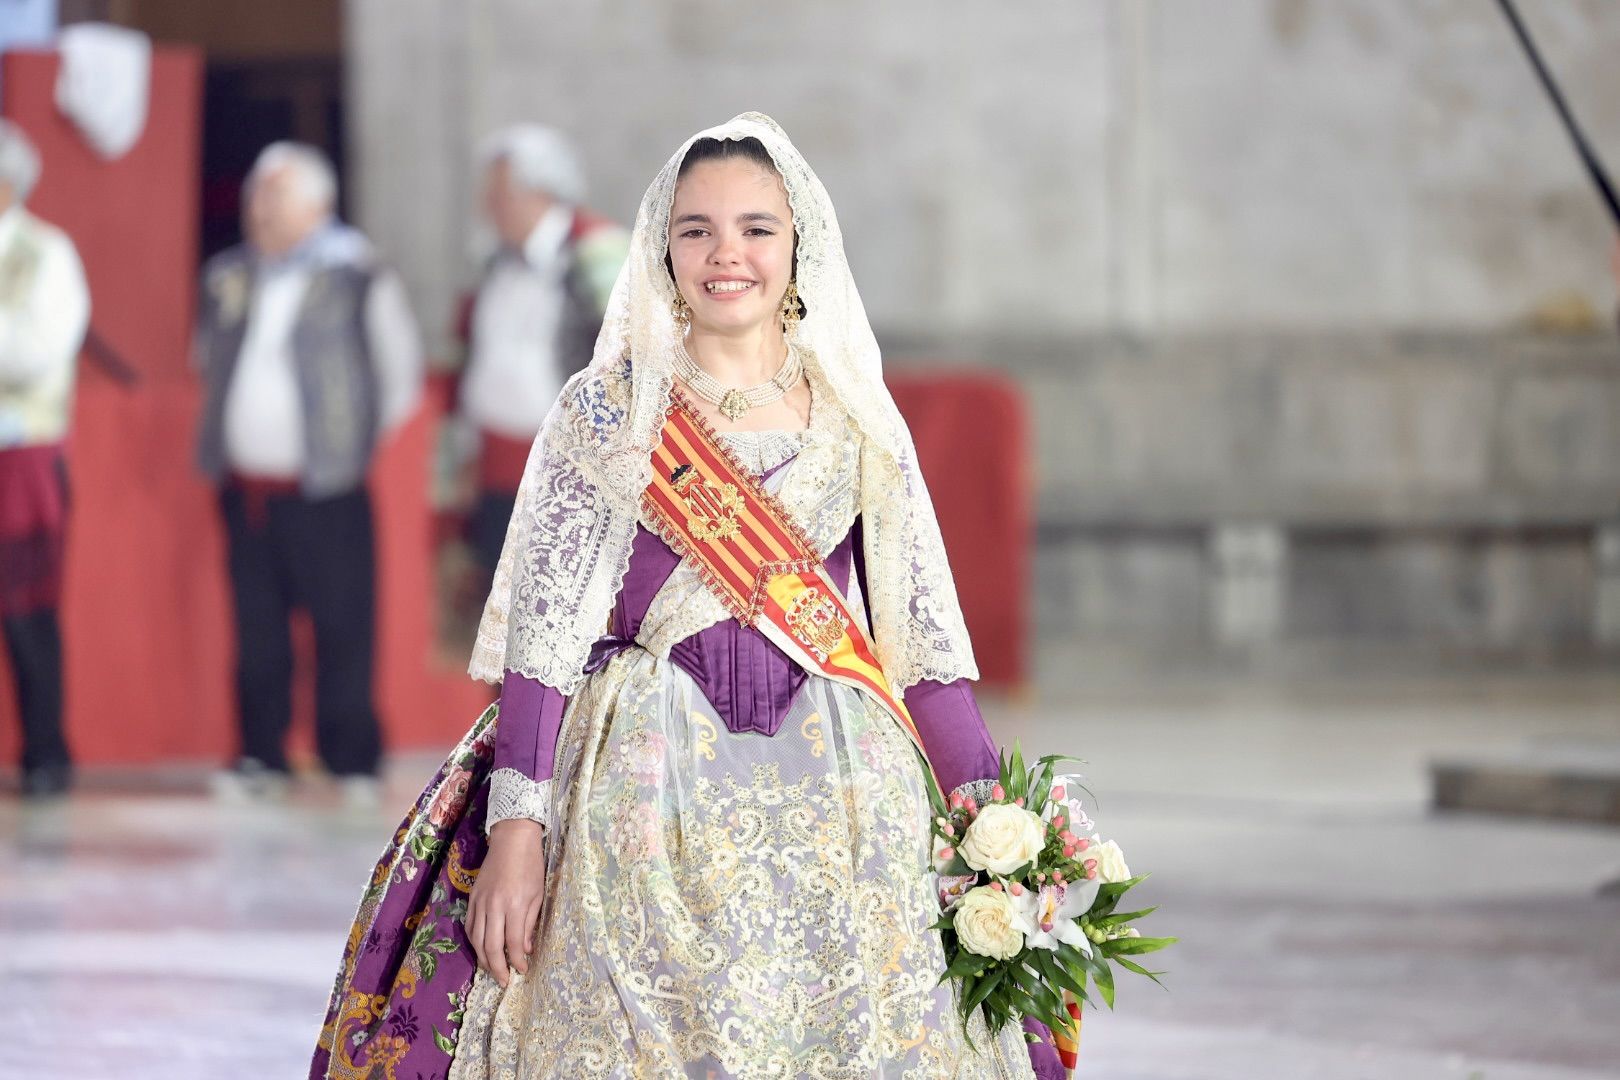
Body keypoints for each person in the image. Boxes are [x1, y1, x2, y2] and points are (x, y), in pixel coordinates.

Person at [311, 113, 1060, 1079]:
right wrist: (516, 831)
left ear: (802, 245)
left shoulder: (861, 422)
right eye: (696, 229)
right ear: (662, 247)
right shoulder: (607, 414)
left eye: (756, 227)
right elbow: (546, 640)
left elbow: (923, 652)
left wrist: (999, 839)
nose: (727, 254)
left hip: (844, 808)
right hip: (640, 793)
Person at [194, 142, 423, 804]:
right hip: (246, 486)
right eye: (255, 196)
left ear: (317, 206)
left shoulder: (356, 273)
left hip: (327, 486)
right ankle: (260, 752)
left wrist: (350, 443)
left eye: (276, 196)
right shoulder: (229, 275)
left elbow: (398, 370)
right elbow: (207, 356)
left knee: (341, 623)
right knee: (258, 626)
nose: (259, 210)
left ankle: (350, 756)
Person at [459, 124, 628, 581]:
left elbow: (631, 364)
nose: (488, 207)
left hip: (573, 478)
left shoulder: (601, 252)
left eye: (500, 194)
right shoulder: (496, 260)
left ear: (540, 192)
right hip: (497, 472)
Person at [0, 120, 89, 799]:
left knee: (26, 610)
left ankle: (45, 754)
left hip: (19, 456)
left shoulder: (45, 252)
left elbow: (36, 349)